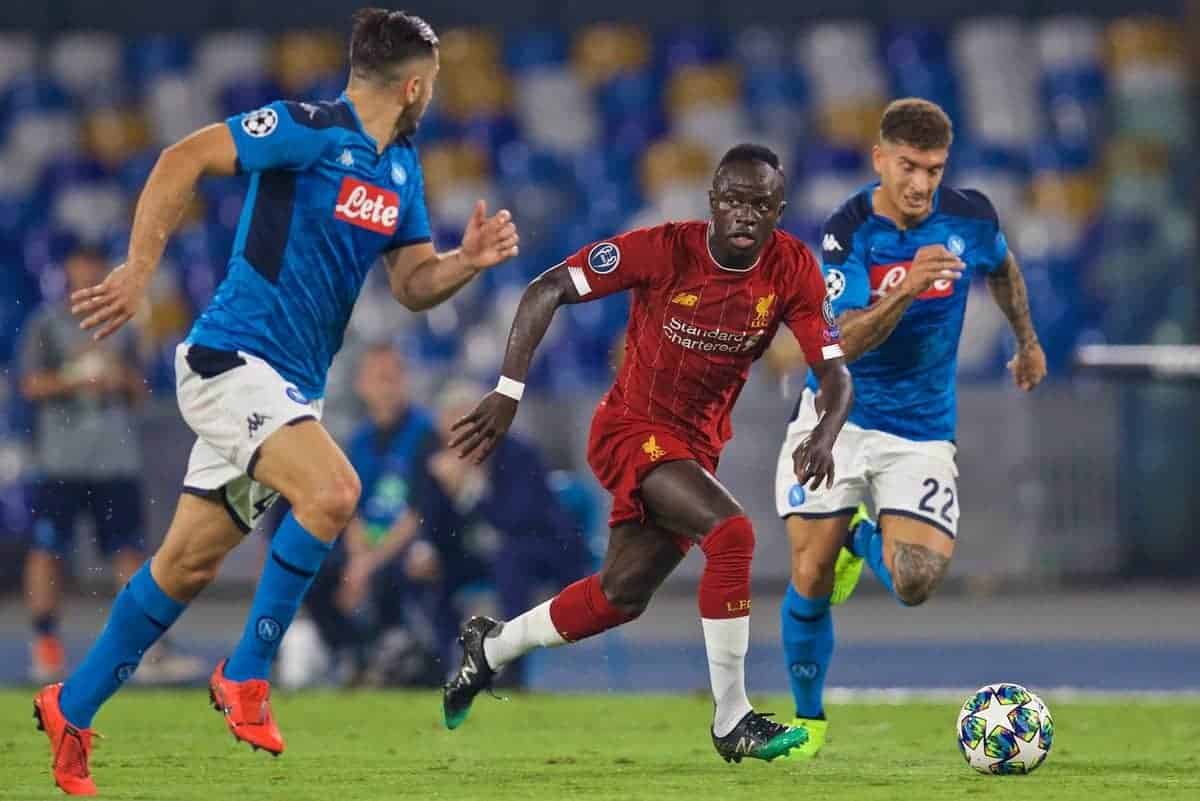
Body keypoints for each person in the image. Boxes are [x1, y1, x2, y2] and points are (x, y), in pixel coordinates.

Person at [33, 8, 519, 795]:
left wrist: (465, 260)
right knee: (333, 490)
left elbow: (412, 282)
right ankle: (248, 672)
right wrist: (135, 271)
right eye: (435, 83)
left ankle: (71, 707)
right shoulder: (305, 127)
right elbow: (181, 156)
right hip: (230, 361)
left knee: (185, 565)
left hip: (291, 391)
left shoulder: (400, 168)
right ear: (415, 84)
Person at [443, 143, 853, 764]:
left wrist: (825, 432)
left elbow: (835, 374)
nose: (746, 214)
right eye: (735, 200)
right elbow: (546, 288)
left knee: (620, 596)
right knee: (732, 534)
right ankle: (732, 719)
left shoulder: (792, 269)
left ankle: (490, 648)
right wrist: (507, 390)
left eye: (760, 204)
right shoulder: (664, 248)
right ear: (713, 202)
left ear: (779, 211)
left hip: (697, 446)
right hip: (632, 428)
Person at [772, 98, 1046, 758]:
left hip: (920, 430)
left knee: (915, 580)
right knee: (809, 577)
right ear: (880, 159)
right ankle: (809, 720)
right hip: (838, 417)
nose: (921, 184)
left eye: (934, 168)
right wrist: (908, 287)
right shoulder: (850, 229)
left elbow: (1003, 269)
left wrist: (1026, 340)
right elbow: (845, 341)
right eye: (908, 167)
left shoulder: (970, 216)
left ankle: (854, 539)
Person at [19, 246, 202, 686]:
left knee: (130, 553)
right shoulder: (46, 323)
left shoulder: (123, 324)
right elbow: (28, 385)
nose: (86, 272)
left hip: (115, 457)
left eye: (94, 266)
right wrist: (75, 379)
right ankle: (46, 644)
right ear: (66, 270)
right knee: (48, 552)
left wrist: (119, 379)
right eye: (79, 264)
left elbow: (144, 391)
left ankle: (147, 646)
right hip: (61, 457)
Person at [425, 382, 591, 687]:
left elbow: (519, 521)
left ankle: (513, 668)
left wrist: (471, 490)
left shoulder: (518, 452)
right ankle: (439, 663)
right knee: (435, 569)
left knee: (511, 560)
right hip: (485, 554)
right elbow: (436, 528)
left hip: (545, 549)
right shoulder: (441, 464)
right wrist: (428, 548)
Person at [300, 342, 436, 681]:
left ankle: (400, 654)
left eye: (392, 377)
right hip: (366, 545)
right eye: (378, 378)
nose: (386, 386)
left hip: (407, 543)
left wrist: (367, 565)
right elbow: (352, 508)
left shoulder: (424, 433)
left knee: (395, 573)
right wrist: (358, 560)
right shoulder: (358, 440)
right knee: (313, 573)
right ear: (361, 385)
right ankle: (351, 652)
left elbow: (417, 512)